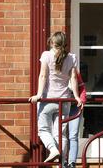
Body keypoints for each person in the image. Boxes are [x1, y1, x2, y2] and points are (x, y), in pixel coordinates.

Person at [29, 31, 82, 164]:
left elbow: (43, 76)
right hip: (64, 101)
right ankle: (62, 163)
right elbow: (74, 78)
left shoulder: (46, 55)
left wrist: (39, 94)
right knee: (61, 134)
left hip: (47, 100)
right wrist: (76, 96)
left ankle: (53, 149)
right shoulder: (72, 58)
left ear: (53, 43)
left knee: (43, 130)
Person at [65, 71, 87, 168]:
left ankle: (72, 162)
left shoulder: (75, 72)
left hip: (74, 107)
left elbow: (82, 88)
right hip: (62, 107)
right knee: (61, 135)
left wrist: (82, 100)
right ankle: (62, 161)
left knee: (73, 135)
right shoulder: (56, 71)